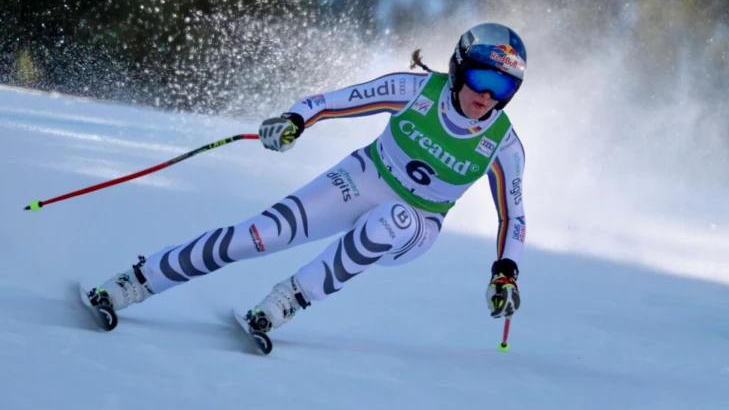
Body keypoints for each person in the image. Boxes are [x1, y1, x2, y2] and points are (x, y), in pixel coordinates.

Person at [86, 22, 527, 333]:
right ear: (457, 67)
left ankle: (288, 300)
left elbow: (514, 218)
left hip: (417, 222)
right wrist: (293, 122)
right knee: (258, 235)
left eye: (503, 87)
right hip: (363, 177)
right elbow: (328, 101)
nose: (487, 95)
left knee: (390, 218)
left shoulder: (504, 146)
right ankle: (136, 281)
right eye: (480, 77)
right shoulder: (413, 92)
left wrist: (505, 274)